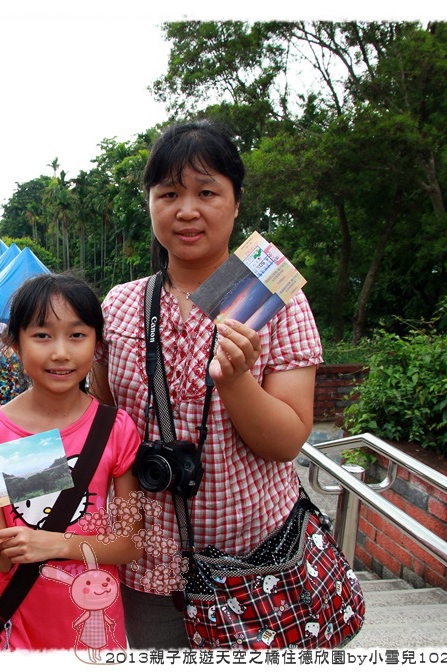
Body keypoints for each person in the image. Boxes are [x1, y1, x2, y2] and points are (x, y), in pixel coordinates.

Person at [90, 120, 323, 649]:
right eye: (169, 193)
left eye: (207, 192)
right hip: (147, 566)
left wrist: (237, 381)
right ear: (149, 202)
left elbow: (287, 440)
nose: (187, 210)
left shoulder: (271, 296)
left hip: (252, 564)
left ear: (236, 202)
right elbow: (101, 423)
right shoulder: (120, 304)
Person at [0, 274, 145, 652]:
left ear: (97, 344)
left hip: (92, 625)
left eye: (76, 335)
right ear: (14, 344)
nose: (60, 352)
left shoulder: (115, 429)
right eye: (42, 335)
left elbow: (132, 543)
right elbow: (0, 561)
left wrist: (55, 543)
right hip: (11, 625)